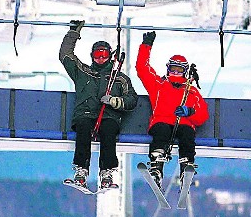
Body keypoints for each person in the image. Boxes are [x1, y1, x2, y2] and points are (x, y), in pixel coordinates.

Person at [59, 20, 138, 189]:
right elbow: (65, 55)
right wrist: (73, 33)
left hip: (109, 115)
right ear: (92, 56)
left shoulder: (120, 78)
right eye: (97, 55)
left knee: (108, 131)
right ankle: (81, 171)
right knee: (83, 129)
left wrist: (115, 101)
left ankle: (107, 172)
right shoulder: (83, 72)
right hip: (86, 114)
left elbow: (132, 99)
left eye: (104, 55)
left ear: (110, 56)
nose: (101, 59)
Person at [135, 31, 209, 189]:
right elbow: (142, 69)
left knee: (187, 134)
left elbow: (202, 114)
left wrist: (190, 112)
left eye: (179, 71)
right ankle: (157, 167)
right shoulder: (159, 85)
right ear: (167, 70)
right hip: (162, 121)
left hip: (182, 124)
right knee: (160, 131)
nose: (175, 73)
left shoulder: (191, 91)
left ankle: (186, 167)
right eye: (172, 70)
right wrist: (146, 46)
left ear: (185, 72)